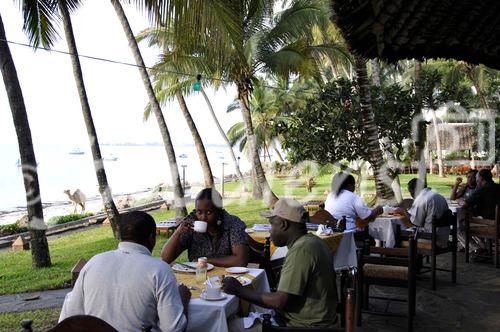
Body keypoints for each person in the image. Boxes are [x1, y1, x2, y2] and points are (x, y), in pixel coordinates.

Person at [59, 211, 190, 332]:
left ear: (120, 235)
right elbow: (173, 328)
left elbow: (70, 316)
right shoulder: (160, 270)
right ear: (152, 237)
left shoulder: (94, 262)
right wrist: (183, 299)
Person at [223, 198, 338, 331]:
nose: (270, 231)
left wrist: (239, 290)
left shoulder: (302, 250)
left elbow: (279, 301)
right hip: (314, 318)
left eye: (272, 225)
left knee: (227, 325)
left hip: (304, 326)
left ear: (284, 224)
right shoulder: (313, 241)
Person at [161, 188, 249, 267]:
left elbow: (240, 260)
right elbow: (165, 259)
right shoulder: (191, 223)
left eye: (208, 212)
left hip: (228, 279)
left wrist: (204, 261)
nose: (203, 217)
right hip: (198, 278)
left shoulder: (233, 223)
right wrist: (178, 232)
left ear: (219, 211)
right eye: (199, 212)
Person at [396, 178, 449, 246]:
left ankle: (408, 255)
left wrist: (403, 211)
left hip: (431, 238)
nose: (411, 195)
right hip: (444, 236)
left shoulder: (421, 198)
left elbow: (416, 223)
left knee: (397, 234)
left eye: (411, 192)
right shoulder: (438, 195)